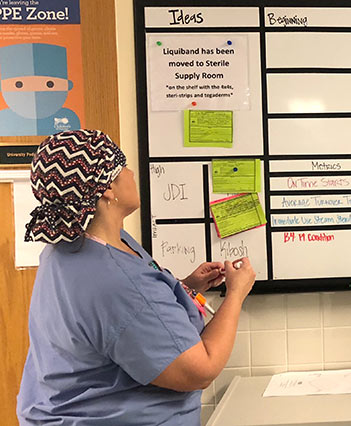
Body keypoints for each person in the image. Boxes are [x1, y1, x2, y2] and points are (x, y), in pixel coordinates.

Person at [17, 130, 256, 425]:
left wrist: (186, 287)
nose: (131, 173)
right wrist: (236, 293)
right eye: (123, 167)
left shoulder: (71, 248)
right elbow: (200, 370)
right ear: (106, 189)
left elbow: (124, 319)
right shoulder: (115, 280)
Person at [0, 43, 81, 135]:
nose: (35, 91)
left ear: (68, 85)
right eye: (19, 84)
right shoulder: (3, 117)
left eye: (49, 84)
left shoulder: (68, 116)